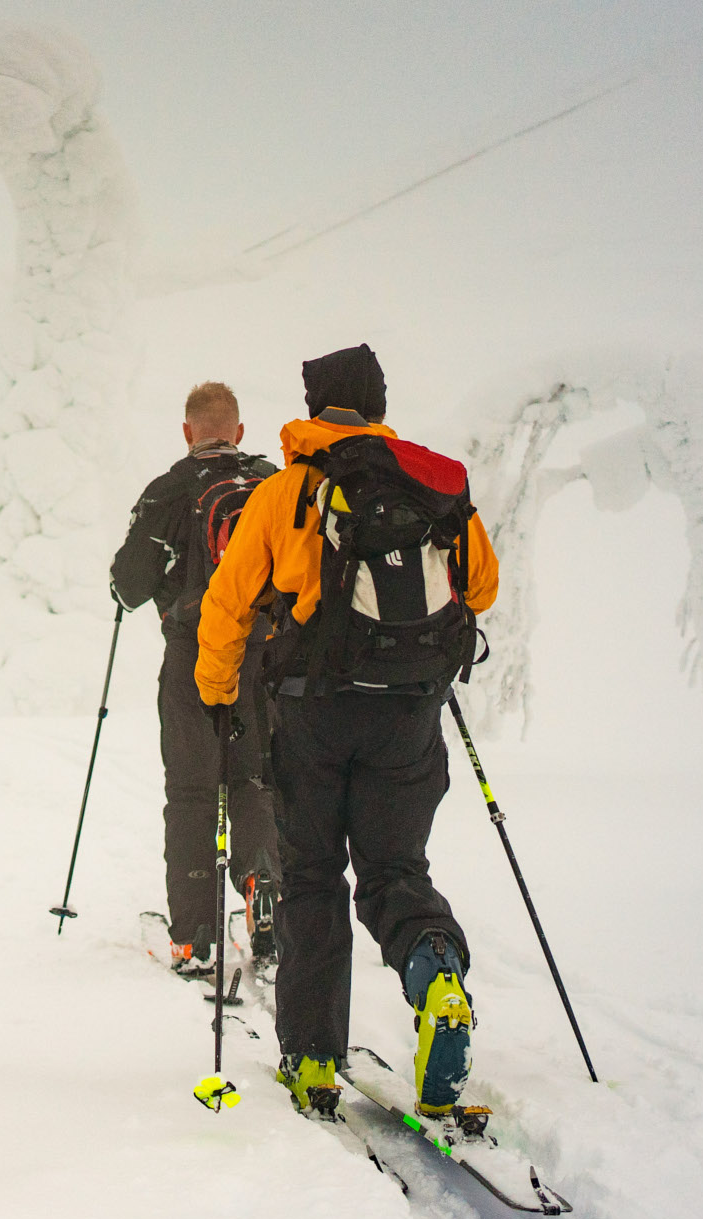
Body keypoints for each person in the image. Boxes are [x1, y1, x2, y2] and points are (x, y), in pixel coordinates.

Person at [192, 345, 499, 1120]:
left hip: (313, 713)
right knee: (396, 869)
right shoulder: (427, 484)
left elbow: (227, 605)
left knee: (313, 876)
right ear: (378, 402)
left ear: (313, 402)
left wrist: (218, 693)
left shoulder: (288, 491)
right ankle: (437, 981)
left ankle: (315, 1058)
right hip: (408, 714)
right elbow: (483, 588)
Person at [110, 382, 278, 979]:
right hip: (265, 657)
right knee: (256, 777)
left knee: (191, 791)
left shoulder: (168, 490)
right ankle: (264, 884)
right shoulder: (269, 482)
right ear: (237, 429)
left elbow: (129, 587)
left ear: (188, 432)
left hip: (192, 655)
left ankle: (195, 937)